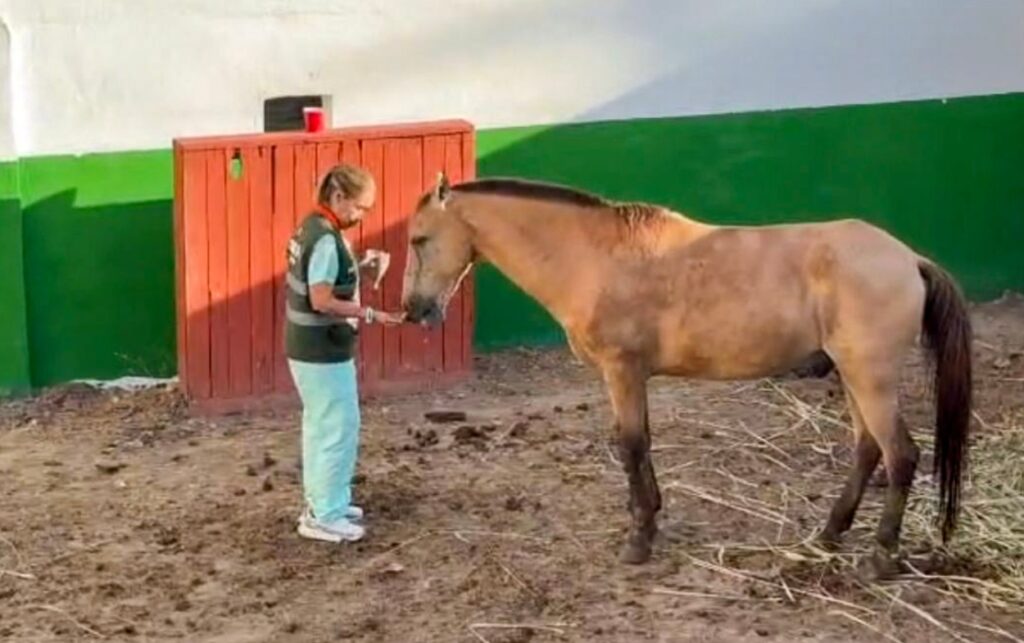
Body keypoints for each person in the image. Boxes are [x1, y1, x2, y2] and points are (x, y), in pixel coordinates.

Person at [284, 163, 405, 543]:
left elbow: (324, 279)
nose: (362, 215)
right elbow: (321, 300)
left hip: (308, 348)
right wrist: (372, 313)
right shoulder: (325, 239)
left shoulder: (313, 228)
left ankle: (325, 502)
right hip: (321, 349)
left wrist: (362, 267)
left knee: (322, 426)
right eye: (360, 207)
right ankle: (325, 515)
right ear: (338, 197)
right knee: (337, 428)